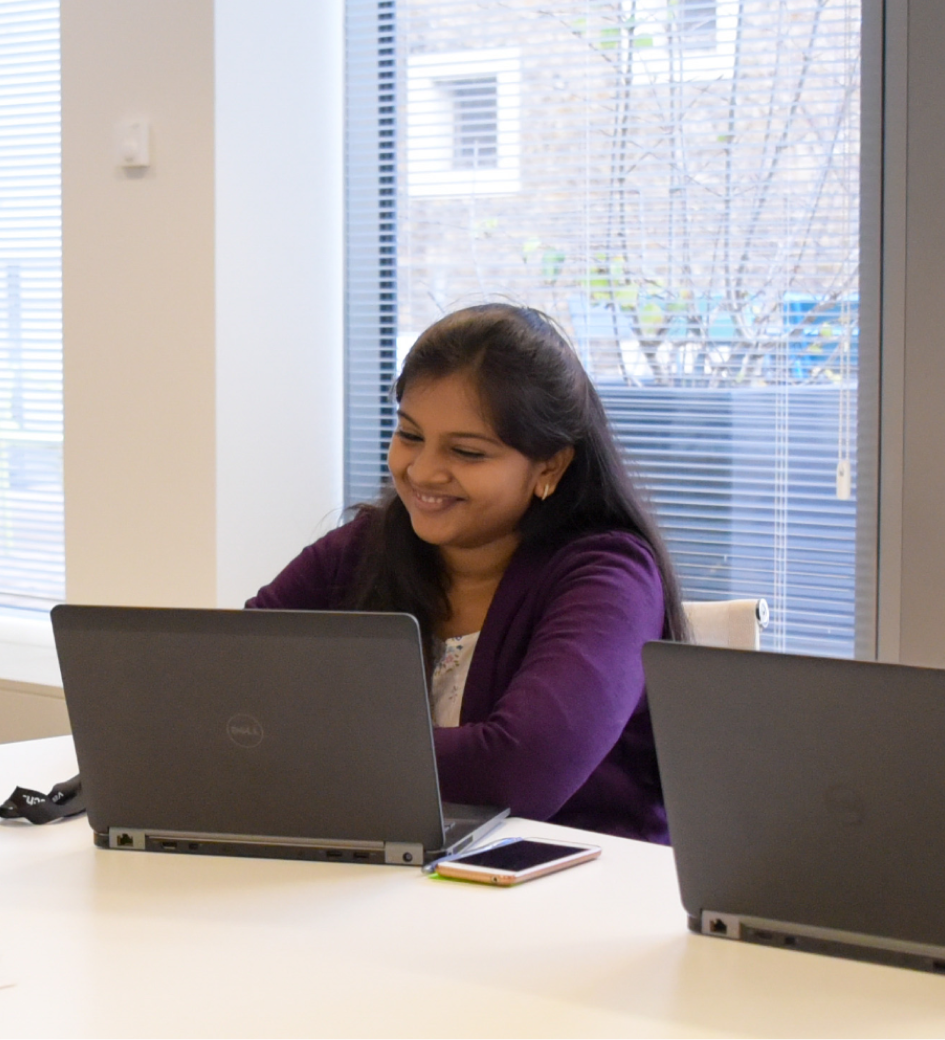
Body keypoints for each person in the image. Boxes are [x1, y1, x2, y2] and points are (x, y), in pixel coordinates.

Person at [248, 303, 683, 842]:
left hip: (573, 898)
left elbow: (516, 771)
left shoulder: (610, 577)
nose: (423, 471)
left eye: (467, 452)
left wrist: (292, 747)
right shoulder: (363, 548)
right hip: (395, 883)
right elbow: (226, 690)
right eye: (409, 435)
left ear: (550, 465)